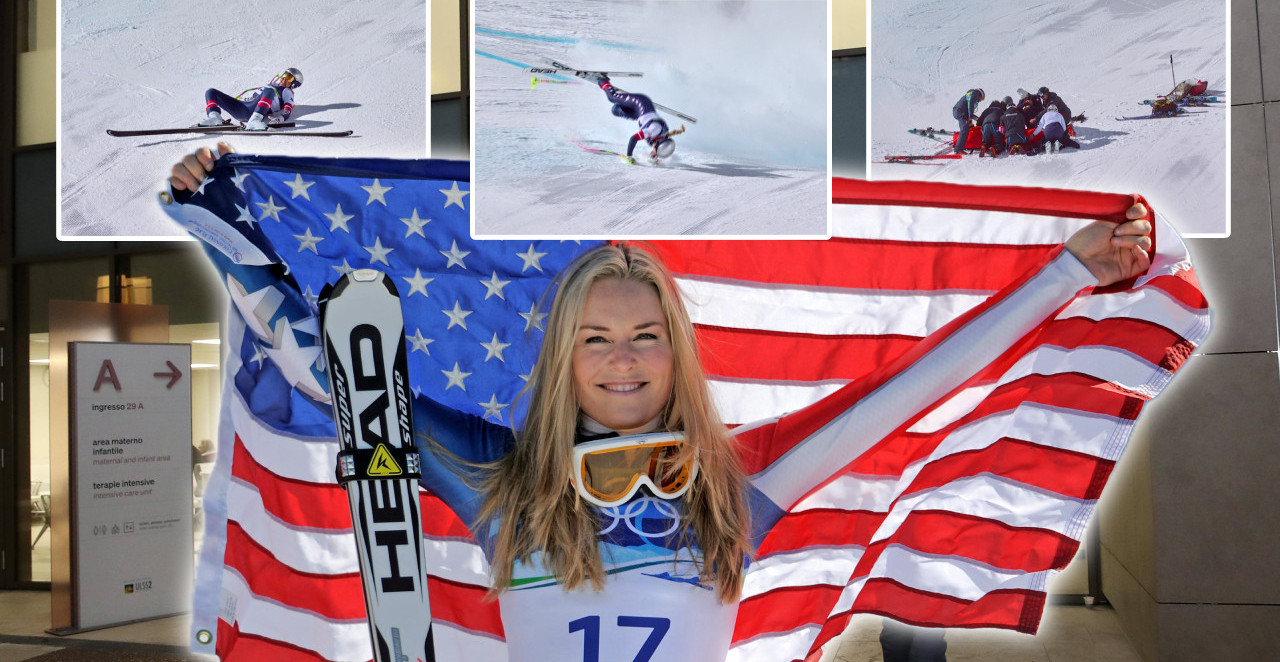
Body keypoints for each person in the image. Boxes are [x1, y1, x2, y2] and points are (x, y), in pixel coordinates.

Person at [169, 143, 1154, 660]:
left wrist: (1065, 270)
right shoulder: (500, 480)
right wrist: (218, 220)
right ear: (564, 354)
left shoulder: (735, 486)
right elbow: (332, 363)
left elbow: (906, 394)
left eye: (645, 335)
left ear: (676, 355)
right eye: (596, 337)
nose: (623, 359)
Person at [590, 74, 680, 161]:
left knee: (615, 110)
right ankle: (602, 80)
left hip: (639, 114)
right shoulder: (654, 130)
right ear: (657, 143)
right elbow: (633, 139)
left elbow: (656, 149)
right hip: (641, 103)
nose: (654, 152)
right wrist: (629, 156)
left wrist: (653, 158)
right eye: (655, 151)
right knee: (612, 97)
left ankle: (621, 98)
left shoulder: (660, 138)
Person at [197, 67, 302, 131]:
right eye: (285, 74)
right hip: (242, 107)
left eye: (289, 77)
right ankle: (215, 118)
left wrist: (281, 118)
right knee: (211, 92)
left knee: (270, 91)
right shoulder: (270, 85)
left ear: (293, 84)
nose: (284, 78)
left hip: (254, 112)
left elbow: (289, 107)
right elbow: (253, 97)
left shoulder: (286, 91)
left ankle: (254, 121)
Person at [951, 88, 984, 154]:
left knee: (967, 128)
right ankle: (958, 149)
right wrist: (971, 115)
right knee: (964, 129)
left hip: (959, 111)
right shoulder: (975, 94)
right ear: (980, 95)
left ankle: (963, 144)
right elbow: (971, 104)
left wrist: (973, 117)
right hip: (960, 112)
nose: (980, 101)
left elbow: (969, 106)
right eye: (981, 99)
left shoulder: (970, 94)